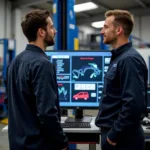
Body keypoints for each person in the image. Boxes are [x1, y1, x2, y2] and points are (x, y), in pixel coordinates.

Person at [4, 9, 68, 150]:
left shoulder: (14, 62)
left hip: (17, 143)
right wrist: (61, 142)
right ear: (41, 32)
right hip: (39, 144)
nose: (55, 31)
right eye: (51, 27)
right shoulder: (43, 64)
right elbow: (47, 112)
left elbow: (9, 102)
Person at [95, 9, 148, 150]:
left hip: (123, 140)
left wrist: (113, 136)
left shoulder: (129, 60)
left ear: (118, 30)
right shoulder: (119, 58)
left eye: (105, 27)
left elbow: (133, 105)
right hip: (118, 136)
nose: (101, 31)